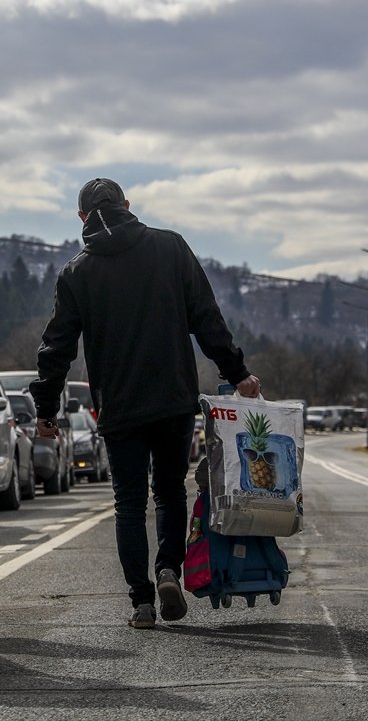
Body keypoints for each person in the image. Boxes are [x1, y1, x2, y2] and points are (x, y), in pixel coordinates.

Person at [29, 177, 260, 630]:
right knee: (170, 490)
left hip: (118, 406)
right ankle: (168, 569)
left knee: (129, 504)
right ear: (127, 205)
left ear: (82, 219)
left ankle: (142, 602)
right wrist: (237, 373)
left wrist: (45, 408)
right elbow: (206, 318)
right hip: (173, 398)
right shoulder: (170, 248)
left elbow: (56, 346)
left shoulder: (78, 272)